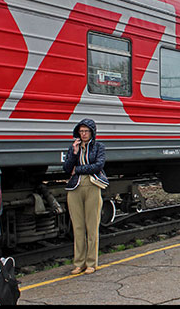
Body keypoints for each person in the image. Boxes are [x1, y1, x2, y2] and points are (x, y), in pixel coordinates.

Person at [63, 118, 108, 275]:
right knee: (78, 227)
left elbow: (98, 165)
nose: (83, 134)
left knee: (92, 226)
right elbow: (67, 168)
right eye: (81, 131)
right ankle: (79, 263)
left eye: (86, 131)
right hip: (75, 188)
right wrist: (74, 154)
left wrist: (79, 169)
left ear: (92, 132)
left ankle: (91, 263)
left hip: (92, 186)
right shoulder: (74, 148)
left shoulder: (99, 147)